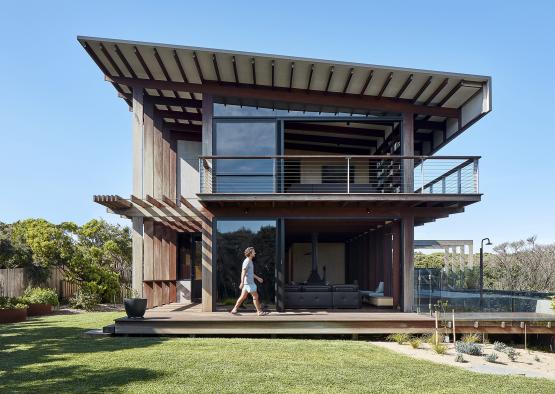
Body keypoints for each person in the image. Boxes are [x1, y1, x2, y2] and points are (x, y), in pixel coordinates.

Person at [230, 246, 268, 316]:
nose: (255, 253)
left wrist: (258, 278)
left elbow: (249, 273)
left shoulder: (249, 261)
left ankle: (234, 309)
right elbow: (243, 272)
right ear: (250, 253)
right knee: (255, 297)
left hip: (247, 283)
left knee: (243, 297)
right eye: (253, 252)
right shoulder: (247, 261)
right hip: (249, 283)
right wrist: (241, 282)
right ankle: (259, 312)